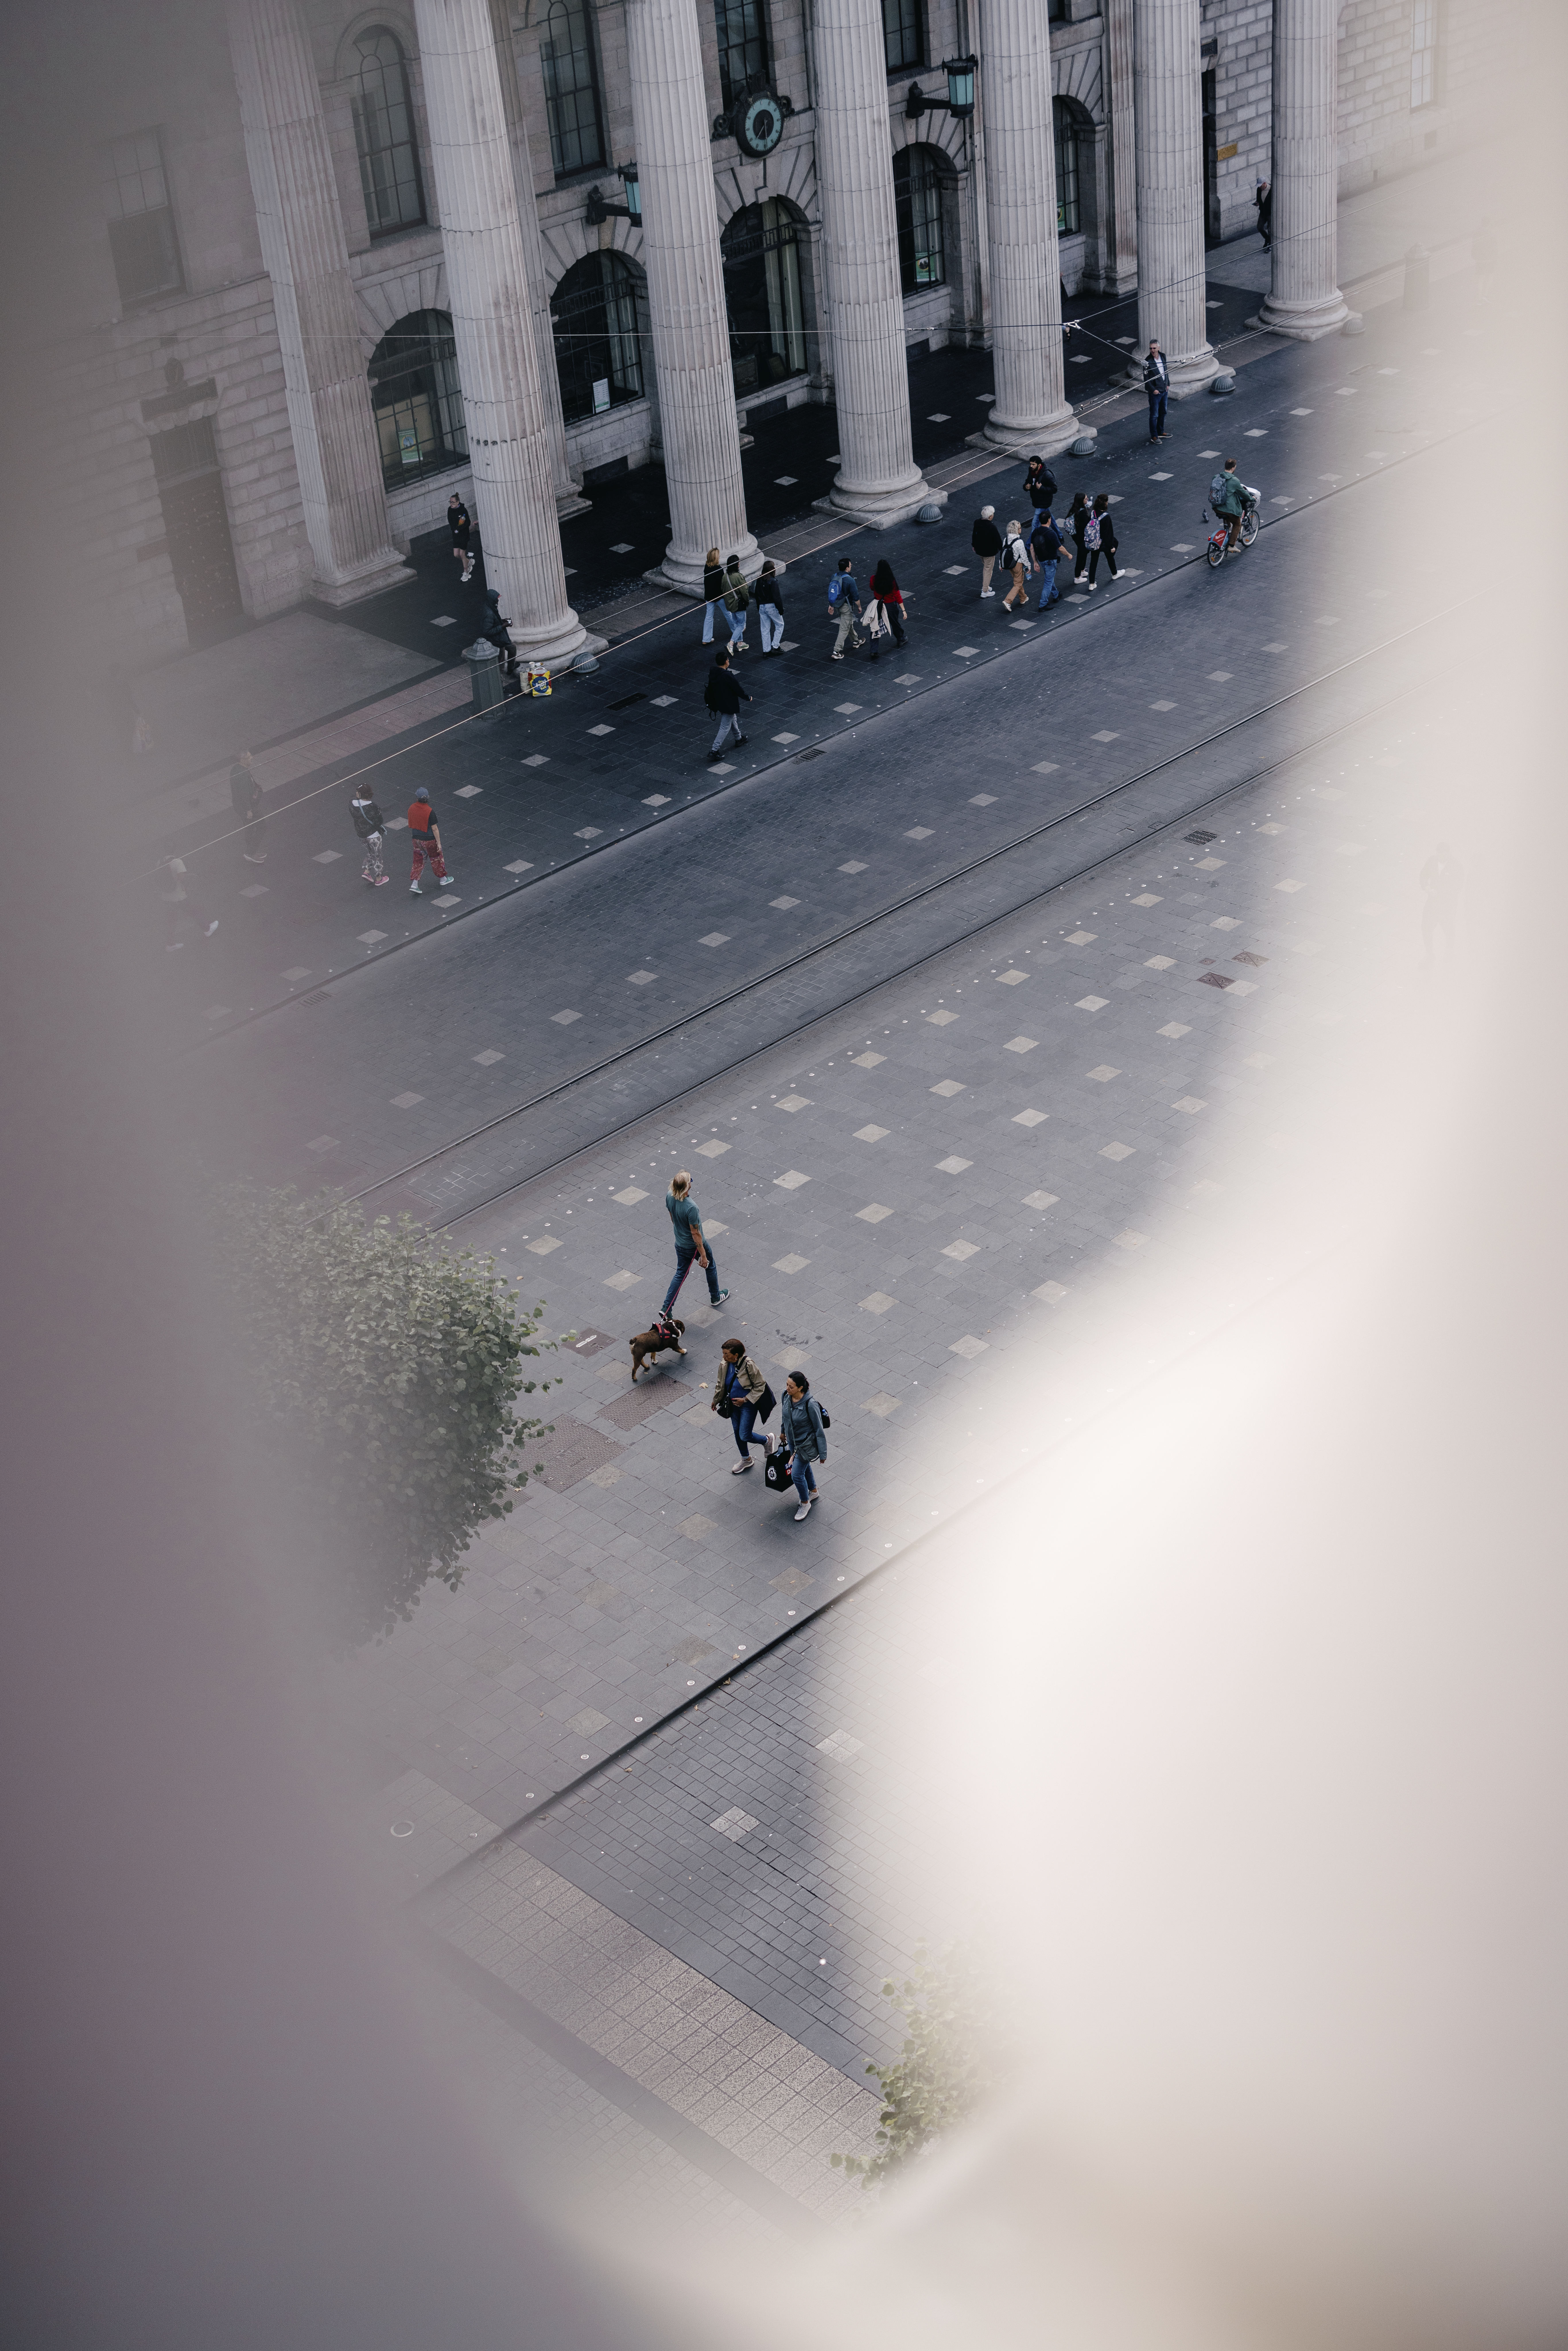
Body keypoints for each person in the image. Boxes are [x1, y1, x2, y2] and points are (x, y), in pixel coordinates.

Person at [661, 1170, 727, 1313]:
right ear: (687, 1187)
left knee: (680, 1275)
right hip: (694, 1246)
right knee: (710, 1266)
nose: (691, 1181)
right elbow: (696, 1233)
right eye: (690, 1180)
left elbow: (673, 1218)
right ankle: (716, 1297)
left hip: (680, 1243)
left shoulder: (669, 1196)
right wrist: (703, 1255)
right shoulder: (691, 1207)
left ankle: (667, 1308)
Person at [773, 1369, 826, 1521]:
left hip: (805, 1445)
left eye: (791, 1387)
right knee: (805, 1468)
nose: (787, 1389)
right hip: (792, 1441)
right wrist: (783, 1431)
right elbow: (785, 1415)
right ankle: (813, 1491)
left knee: (797, 1475)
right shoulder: (786, 1396)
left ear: (801, 1388)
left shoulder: (811, 1404)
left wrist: (823, 1454)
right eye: (787, 1385)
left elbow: (819, 1429)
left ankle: (805, 1503)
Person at [712, 1338, 769, 1472]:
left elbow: (761, 1386)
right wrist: (716, 1399)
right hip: (732, 1405)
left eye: (726, 1354)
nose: (723, 1356)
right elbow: (721, 1384)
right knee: (737, 1432)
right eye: (723, 1353)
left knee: (744, 1435)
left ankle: (766, 1440)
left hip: (748, 1406)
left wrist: (745, 1400)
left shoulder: (749, 1365)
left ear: (736, 1356)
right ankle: (746, 1459)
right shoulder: (725, 1363)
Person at [703, 648, 751, 761]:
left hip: (720, 703)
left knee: (733, 719)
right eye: (728, 660)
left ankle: (739, 739)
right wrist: (747, 698)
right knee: (725, 728)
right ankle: (714, 751)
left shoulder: (714, 673)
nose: (729, 661)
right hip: (728, 704)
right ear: (726, 662)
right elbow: (737, 689)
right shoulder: (727, 676)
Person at [1419, 841, 1462, 963]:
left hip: (1448, 906)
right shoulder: (1432, 860)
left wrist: (1441, 893)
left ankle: (1449, 952)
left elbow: (1458, 887)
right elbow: (1424, 874)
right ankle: (1430, 954)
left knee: (1449, 929)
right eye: (1438, 855)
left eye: (1443, 855)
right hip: (1432, 902)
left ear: (1448, 853)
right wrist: (1427, 888)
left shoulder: (1457, 866)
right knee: (1426, 928)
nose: (1440, 858)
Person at [407, 787, 454, 893]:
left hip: (416, 840)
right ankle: (443, 879)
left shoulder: (411, 808)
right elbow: (435, 829)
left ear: (417, 797)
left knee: (418, 862)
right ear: (428, 798)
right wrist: (439, 843)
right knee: (437, 859)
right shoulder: (430, 811)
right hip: (430, 841)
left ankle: (415, 884)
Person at [1209, 456, 1255, 550]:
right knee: (1238, 524)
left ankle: (1226, 532)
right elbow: (1243, 494)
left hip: (1216, 507)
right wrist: (1252, 499)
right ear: (1233, 468)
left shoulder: (1216, 477)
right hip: (1228, 509)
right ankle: (1231, 546)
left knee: (1227, 517)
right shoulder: (1235, 481)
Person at [229, 750, 266, 864]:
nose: (252, 758)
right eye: (250, 757)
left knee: (250, 828)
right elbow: (244, 793)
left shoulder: (237, 769)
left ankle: (251, 852)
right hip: (247, 807)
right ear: (243, 760)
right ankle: (250, 853)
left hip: (243, 806)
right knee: (262, 826)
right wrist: (249, 810)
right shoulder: (242, 774)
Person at [828, 557, 865, 659]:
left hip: (837, 606)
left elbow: (832, 592)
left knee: (848, 623)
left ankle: (856, 641)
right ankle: (837, 651)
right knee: (844, 628)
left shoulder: (834, 576)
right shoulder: (850, 580)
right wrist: (859, 607)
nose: (851, 567)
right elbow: (856, 596)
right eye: (850, 566)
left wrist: (831, 605)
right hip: (846, 607)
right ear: (847, 568)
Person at [350, 787, 389, 886]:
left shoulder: (352, 804)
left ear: (359, 794)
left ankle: (367, 872)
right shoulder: (374, 807)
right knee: (378, 855)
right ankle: (379, 878)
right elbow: (380, 821)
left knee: (371, 852)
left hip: (362, 836)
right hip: (374, 836)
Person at [869, 558, 907, 649]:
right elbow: (898, 595)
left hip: (878, 605)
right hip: (890, 605)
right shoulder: (892, 581)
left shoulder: (874, 579)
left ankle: (874, 650)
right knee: (895, 623)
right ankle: (901, 639)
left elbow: (872, 588)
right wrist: (904, 610)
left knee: (875, 626)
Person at [480, 588, 518, 678]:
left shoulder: (491, 607)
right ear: (492, 600)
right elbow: (487, 631)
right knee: (501, 664)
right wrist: (503, 626)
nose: (498, 600)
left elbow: (493, 622)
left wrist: (502, 621)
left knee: (513, 648)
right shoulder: (489, 613)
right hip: (497, 642)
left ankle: (511, 669)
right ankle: (500, 686)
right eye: (497, 599)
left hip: (501, 638)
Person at [1031, 509, 1065, 607]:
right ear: (1049, 520)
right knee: (1048, 582)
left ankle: (1056, 595)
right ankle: (1043, 604)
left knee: (1049, 578)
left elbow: (1032, 549)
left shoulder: (1035, 532)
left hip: (1042, 560)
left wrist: (1035, 562)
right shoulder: (1052, 533)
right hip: (1051, 561)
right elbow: (1061, 548)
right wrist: (1069, 555)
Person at [1085, 492, 1119, 587]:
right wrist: (1111, 547)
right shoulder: (1106, 516)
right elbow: (1109, 533)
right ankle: (1115, 573)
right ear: (1106, 504)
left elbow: (1090, 526)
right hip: (1103, 542)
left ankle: (1092, 584)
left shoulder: (1093, 514)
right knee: (1110, 554)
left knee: (1094, 562)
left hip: (1094, 542)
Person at [971, 505, 1003, 597]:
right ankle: (985, 591)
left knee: (986, 567)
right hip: (989, 552)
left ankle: (986, 586)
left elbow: (974, 535)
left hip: (979, 550)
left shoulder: (977, 523)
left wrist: (974, 545)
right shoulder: (992, 527)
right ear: (990, 517)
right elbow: (998, 540)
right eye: (993, 514)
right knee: (988, 570)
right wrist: (1002, 550)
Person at [721, 553, 750, 653]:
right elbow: (745, 592)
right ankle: (731, 644)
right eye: (738, 562)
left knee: (736, 624)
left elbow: (723, 589)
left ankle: (740, 644)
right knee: (741, 625)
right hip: (739, 605)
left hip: (730, 604)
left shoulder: (725, 577)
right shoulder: (738, 577)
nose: (739, 564)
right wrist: (747, 601)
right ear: (736, 565)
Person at [754, 560, 785, 655]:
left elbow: (756, 594)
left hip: (762, 607)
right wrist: (781, 610)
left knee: (765, 629)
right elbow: (777, 598)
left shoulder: (759, 580)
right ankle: (775, 646)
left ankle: (766, 650)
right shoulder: (773, 581)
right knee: (780, 625)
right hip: (771, 606)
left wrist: (759, 607)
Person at [999, 519, 1029, 612]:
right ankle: (1008, 601)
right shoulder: (1019, 542)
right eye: (1020, 528)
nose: (1021, 530)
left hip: (1009, 565)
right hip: (1018, 565)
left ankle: (1023, 598)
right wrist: (1029, 567)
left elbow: (1003, 552)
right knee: (1018, 583)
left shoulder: (1006, 539)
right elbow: (1024, 556)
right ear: (1017, 530)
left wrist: (1001, 565)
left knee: (1018, 581)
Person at [1144, 341, 1170, 445]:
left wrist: (1168, 383)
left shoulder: (1163, 356)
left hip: (1164, 390)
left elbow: (1166, 371)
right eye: (1151, 349)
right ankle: (1154, 436)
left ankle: (1161, 432)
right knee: (1154, 415)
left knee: (1163, 412)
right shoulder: (1147, 361)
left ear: (1159, 348)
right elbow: (1146, 379)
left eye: (1154, 348)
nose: (1153, 351)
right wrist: (1154, 390)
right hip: (1155, 393)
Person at [1023, 455, 1057, 532]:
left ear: (1039, 465)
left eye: (1033, 465)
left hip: (1043, 502)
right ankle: (1060, 535)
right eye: (1030, 464)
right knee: (1050, 519)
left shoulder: (1047, 475)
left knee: (1035, 523)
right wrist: (1026, 487)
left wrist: (1091, 526)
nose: (1031, 466)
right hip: (1037, 500)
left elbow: (1055, 489)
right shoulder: (1031, 471)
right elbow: (1028, 481)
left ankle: (1030, 543)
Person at [447, 491, 473, 583]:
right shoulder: (450, 510)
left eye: (453, 502)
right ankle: (469, 561)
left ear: (458, 502)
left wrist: (460, 528)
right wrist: (454, 529)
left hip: (464, 535)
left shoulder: (463, 510)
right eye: (450, 502)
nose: (451, 504)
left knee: (462, 554)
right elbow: (450, 521)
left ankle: (466, 572)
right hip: (456, 535)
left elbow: (468, 522)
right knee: (456, 555)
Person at [1066, 489, 1092, 584]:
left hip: (1076, 536)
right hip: (1081, 537)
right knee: (1081, 556)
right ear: (1082, 501)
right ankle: (1077, 577)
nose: (1088, 499)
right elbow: (1086, 525)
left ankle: (1082, 571)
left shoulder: (1075, 508)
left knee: (1083, 553)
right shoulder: (1082, 512)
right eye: (1086, 499)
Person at [701, 547, 725, 644]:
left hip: (709, 596)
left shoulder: (707, 567)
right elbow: (722, 584)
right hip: (719, 596)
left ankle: (706, 639)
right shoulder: (719, 569)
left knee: (709, 617)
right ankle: (737, 629)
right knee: (728, 614)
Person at [1255, 179, 1273, 251]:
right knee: (1260, 227)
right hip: (1263, 212)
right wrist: (1257, 203)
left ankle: (1271, 245)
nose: (1260, 187)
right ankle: (1267, 239)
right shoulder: (1259, 190)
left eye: (1261, 186)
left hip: (1270, 213)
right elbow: (1259, 200)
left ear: (1265, 184)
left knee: (1270, 229)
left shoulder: (1272, 189)